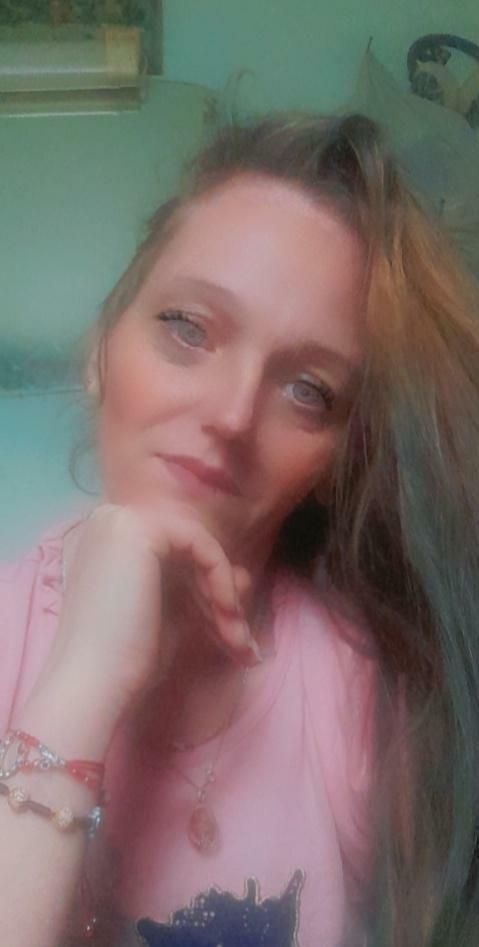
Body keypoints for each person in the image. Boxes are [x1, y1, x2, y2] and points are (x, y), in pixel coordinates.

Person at [1, 112, 478, 947]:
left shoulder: (362, 690)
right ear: (100, 346)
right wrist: (79, 686)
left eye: (307, 390)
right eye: (187, 328)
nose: (229, 415)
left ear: (333, 462)